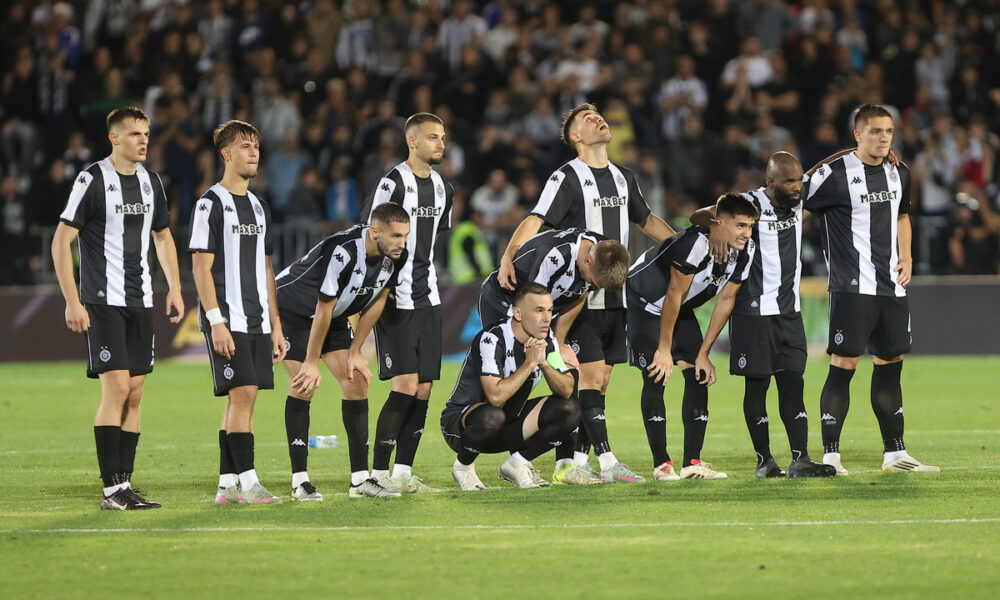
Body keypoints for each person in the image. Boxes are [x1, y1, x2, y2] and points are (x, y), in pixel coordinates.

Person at [497, 104, 677, 483]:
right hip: (578, 299)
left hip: (617, 298)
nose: (598, 119)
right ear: (575, 137)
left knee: (601, 382)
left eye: (599, 115)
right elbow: (537, 219)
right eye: (586, 119)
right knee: (589, 380)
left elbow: (645, 220)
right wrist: (508, 256)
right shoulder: (566, 176)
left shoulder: (623, 176)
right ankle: (606, 464)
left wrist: (682, 245)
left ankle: (573, 465)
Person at [52, 106, 184, 510]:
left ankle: (124, 483)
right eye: (134, 134)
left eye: (146, 133)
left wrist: (175, 288)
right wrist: (72, 301)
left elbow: (162, 237)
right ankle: (112, 491)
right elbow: (61, 241)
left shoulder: (151, 181)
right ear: (114, 138)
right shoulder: (92, 179)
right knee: (118, 387)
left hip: (141, 300)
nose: (143, 140)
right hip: (102, 301)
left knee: (137, 393)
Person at [804, 104, 938, 474]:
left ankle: (895, 454)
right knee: (843, 364)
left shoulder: (900, 172)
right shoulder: (835, 174)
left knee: (890, 364)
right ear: (857, 135)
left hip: (891, 288)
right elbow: (798, 188)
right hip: (851, 287)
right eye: (875, 131)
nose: (884, 138)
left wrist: (907, 257)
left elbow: (904, 216)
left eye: (889, 131)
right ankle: (831, 455)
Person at [694, 152, 837, 478]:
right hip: (753, 314)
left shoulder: (798, 198)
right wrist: (716, 224)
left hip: (789, 313)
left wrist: (872, 153)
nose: (797, 186)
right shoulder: (750, 202)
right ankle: (764, 461)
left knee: (793, 385)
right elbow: (699, 214)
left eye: (799, 179)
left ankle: (800, 459)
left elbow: (823, 167)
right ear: (770, 182)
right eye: (789, 181)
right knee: (756, 389)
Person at [275, 203, 413, 500]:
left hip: (333, 316)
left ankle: (360, 480)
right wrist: (311, 362)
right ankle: (300, 481)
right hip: (292, 312)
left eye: (405, 236)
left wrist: (355, 350)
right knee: (303, 385)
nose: (402, 243)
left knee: (357, 383)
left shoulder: (396, 256)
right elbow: (321, 308)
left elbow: (377, 301)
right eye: (396, 236)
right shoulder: (344, 252)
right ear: (374, 232)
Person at [480, 228, 630, 485]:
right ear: (587, 261)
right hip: (505, 306)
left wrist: (559, 343)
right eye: (594, 281)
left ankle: (562, 466)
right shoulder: (555, 257)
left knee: (567, 374)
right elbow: (531, 305)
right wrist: (543, 347)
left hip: (540, 316)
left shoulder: (596, 253)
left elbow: (580, 295)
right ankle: (472, 458)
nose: (593, 286)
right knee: (515, 385)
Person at [189, 120, 288, 505]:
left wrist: (276, 323)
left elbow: (266, 268)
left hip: (258, 319)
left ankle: (226, 486)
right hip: (227, 318)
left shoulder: (259, 206)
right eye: (245, 146)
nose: (253, 153)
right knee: (243, 393)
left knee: (241, 399)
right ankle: (248, 482)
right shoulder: (209, 204)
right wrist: (216, 322)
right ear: (226, 154)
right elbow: (200, 265)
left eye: (256, 147)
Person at [626, 193, 758, 481]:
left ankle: (692, 463)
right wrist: (664, 349)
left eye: (750, 226)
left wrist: (704, 353)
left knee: (698, 374)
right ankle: (662, 464)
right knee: (656, 373)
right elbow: (673, 293)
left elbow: (726, 301)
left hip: (680, 308)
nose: (747, 233)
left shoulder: (746, 252)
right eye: (740, 226)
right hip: (644, 303)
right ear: (719, 222)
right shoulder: (696, 244)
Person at [360, 113, 454, 490]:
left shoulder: (444, 188)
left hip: (428, 296)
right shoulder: (393, 182)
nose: (441, 144)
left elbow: (433, 241)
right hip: (395, 299)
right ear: (412, 141)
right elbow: (371, 234)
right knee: (404, 384)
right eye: (433, 137)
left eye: (443, 137)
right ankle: (378, 475)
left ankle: (403, 474)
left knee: (425, 387)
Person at [442, 283, 580, 490]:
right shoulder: (491, 339)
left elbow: (568, 388)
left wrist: (543, 362)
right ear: (517, 313)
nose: (547, 318)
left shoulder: (547, 339)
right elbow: (495, 397)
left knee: (570, 410)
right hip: (464, 427)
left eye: (550, 310)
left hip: (508, 424)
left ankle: (517, 463)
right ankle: (463, 466)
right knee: (492, 416)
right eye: (539, 310)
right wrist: (530, 363)